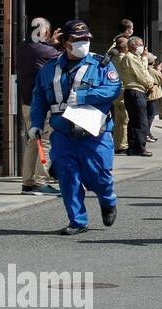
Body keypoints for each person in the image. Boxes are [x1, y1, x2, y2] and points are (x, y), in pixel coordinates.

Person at [28, 20, 122, 235]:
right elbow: (39, 99)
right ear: (65, 43)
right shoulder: (49, 70)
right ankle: (77, 221)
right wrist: (35, 124)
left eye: (86, 40)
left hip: (94, 133)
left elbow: (113, 89)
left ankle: (107, 199)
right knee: (67, 177)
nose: (83, 43)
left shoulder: (101, 64)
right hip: (62, 133)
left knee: (98, 176)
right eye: (77, 40)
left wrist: (82, 96)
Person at [17, 16, 60, 195]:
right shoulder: (47, 51)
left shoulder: (23, 47)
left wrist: (50, 42)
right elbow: (65, 56)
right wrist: (56, 43)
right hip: (41, 106)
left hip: (26, 102)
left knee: (32, 142)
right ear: (44, 32)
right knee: (45, 142)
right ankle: (41, 181)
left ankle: (27, 183)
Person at [114, 36, 159, 157]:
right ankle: (139, 147)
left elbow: (142, 69)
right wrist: (151, 84)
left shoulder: (132, 58)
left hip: (131, 92)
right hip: (135, 91)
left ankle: (133, 147)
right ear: (133, 45)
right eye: (140, 44)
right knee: (140, 121)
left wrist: (144, 57)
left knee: (133, 121)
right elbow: (142, 74)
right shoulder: (130, 58)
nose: (142, 47)